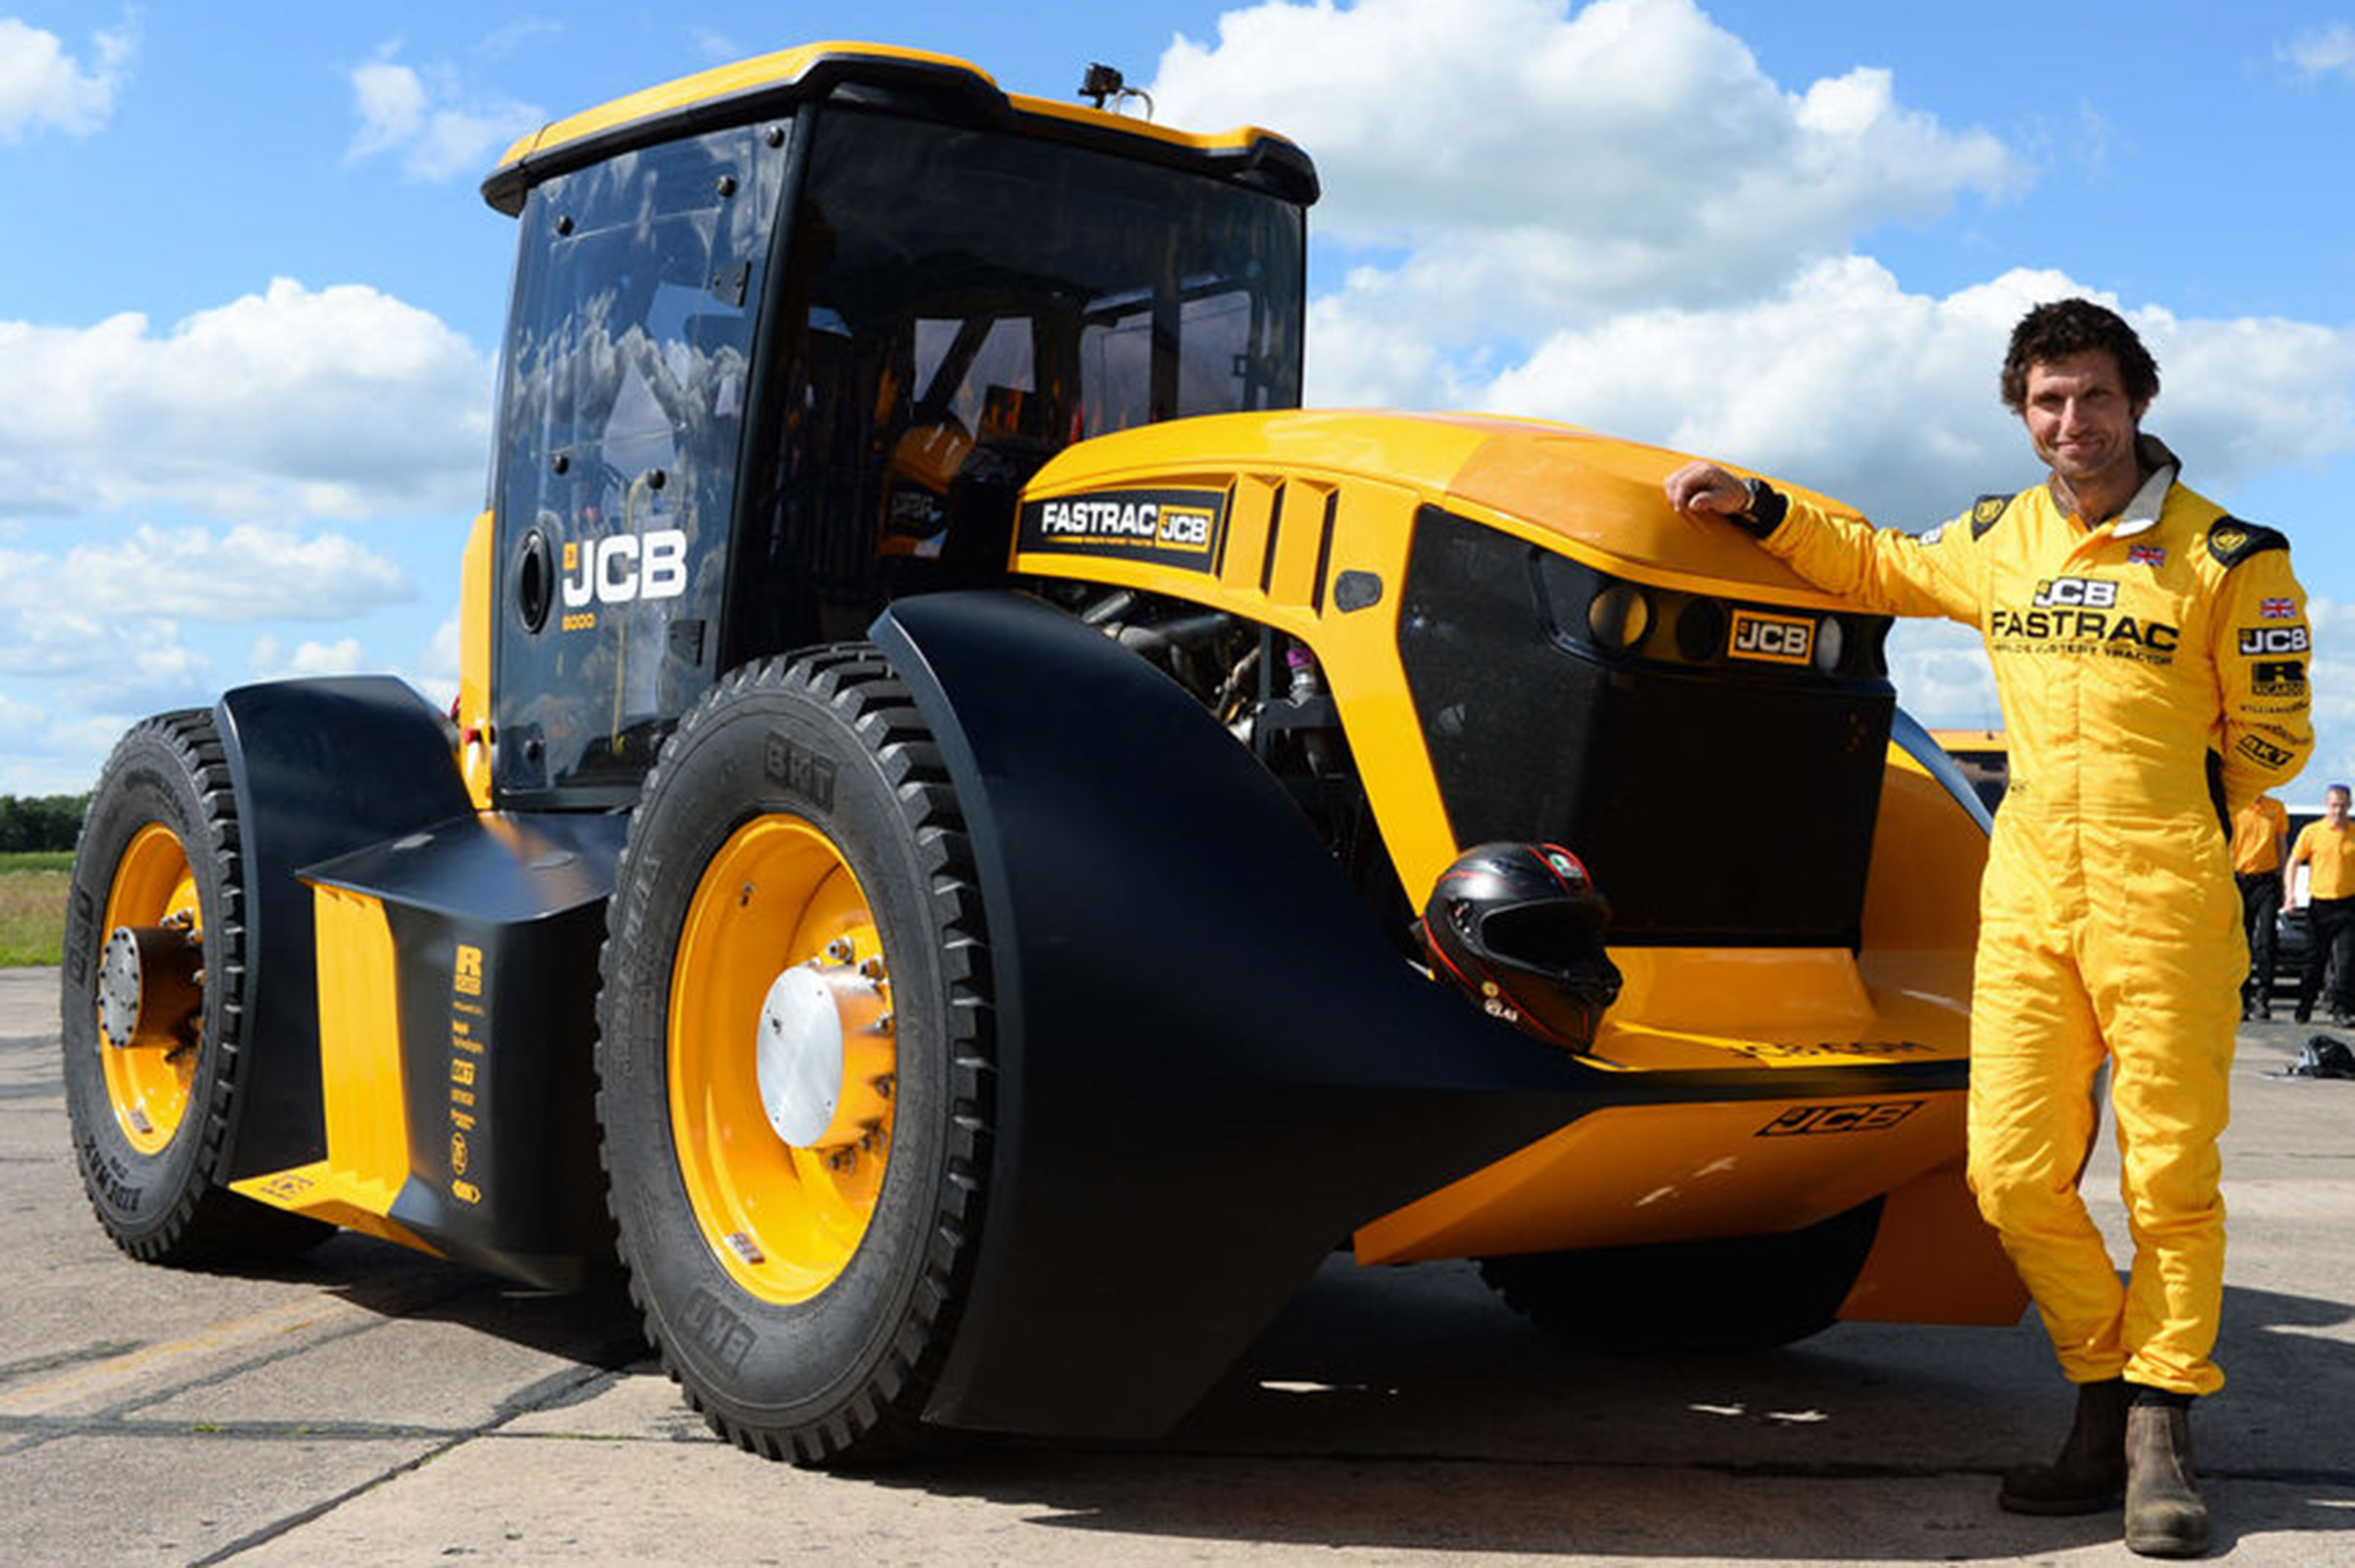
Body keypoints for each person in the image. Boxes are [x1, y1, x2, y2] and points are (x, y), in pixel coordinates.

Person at [1664, 298, 2312, 1559]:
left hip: (2166, 895)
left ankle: (2155, 1429)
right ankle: (2106, 1377)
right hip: (2024, 901)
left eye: (2096, 396)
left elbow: (2275, 737)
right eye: (2049, 400)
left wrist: (2188, 833)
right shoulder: (1996, 539)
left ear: (2139, 402)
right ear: (2025, 416)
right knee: (2009, 1175)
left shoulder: (2231, 555)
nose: (2074, 421)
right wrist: (1755, 500)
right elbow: (1873, 565)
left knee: (2170, 1177)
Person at [2285, 785, 2355, 1025]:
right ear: (2327, 805)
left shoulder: (2354, 833)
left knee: (2347, 962)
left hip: (2348, 905)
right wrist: (2290, 895)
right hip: (2320, 905)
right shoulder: (2312, 832)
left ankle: (2341, 1010)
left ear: (2349, 805)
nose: (2338, 810)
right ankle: (2304, 1006)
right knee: (2314, 961)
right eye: (2334, 805)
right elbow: (2293, 862)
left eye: (2343, 805)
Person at [2230, 792, 2290, 1019]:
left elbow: (2281, 846)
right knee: (2240, 942)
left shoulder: (2275, 808)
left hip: (2266, 881)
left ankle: (2263, 997)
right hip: (2239, 880)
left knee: (2266, 940)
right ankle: (2242, 999)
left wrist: (2285, 883)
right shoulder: (2236, 807)